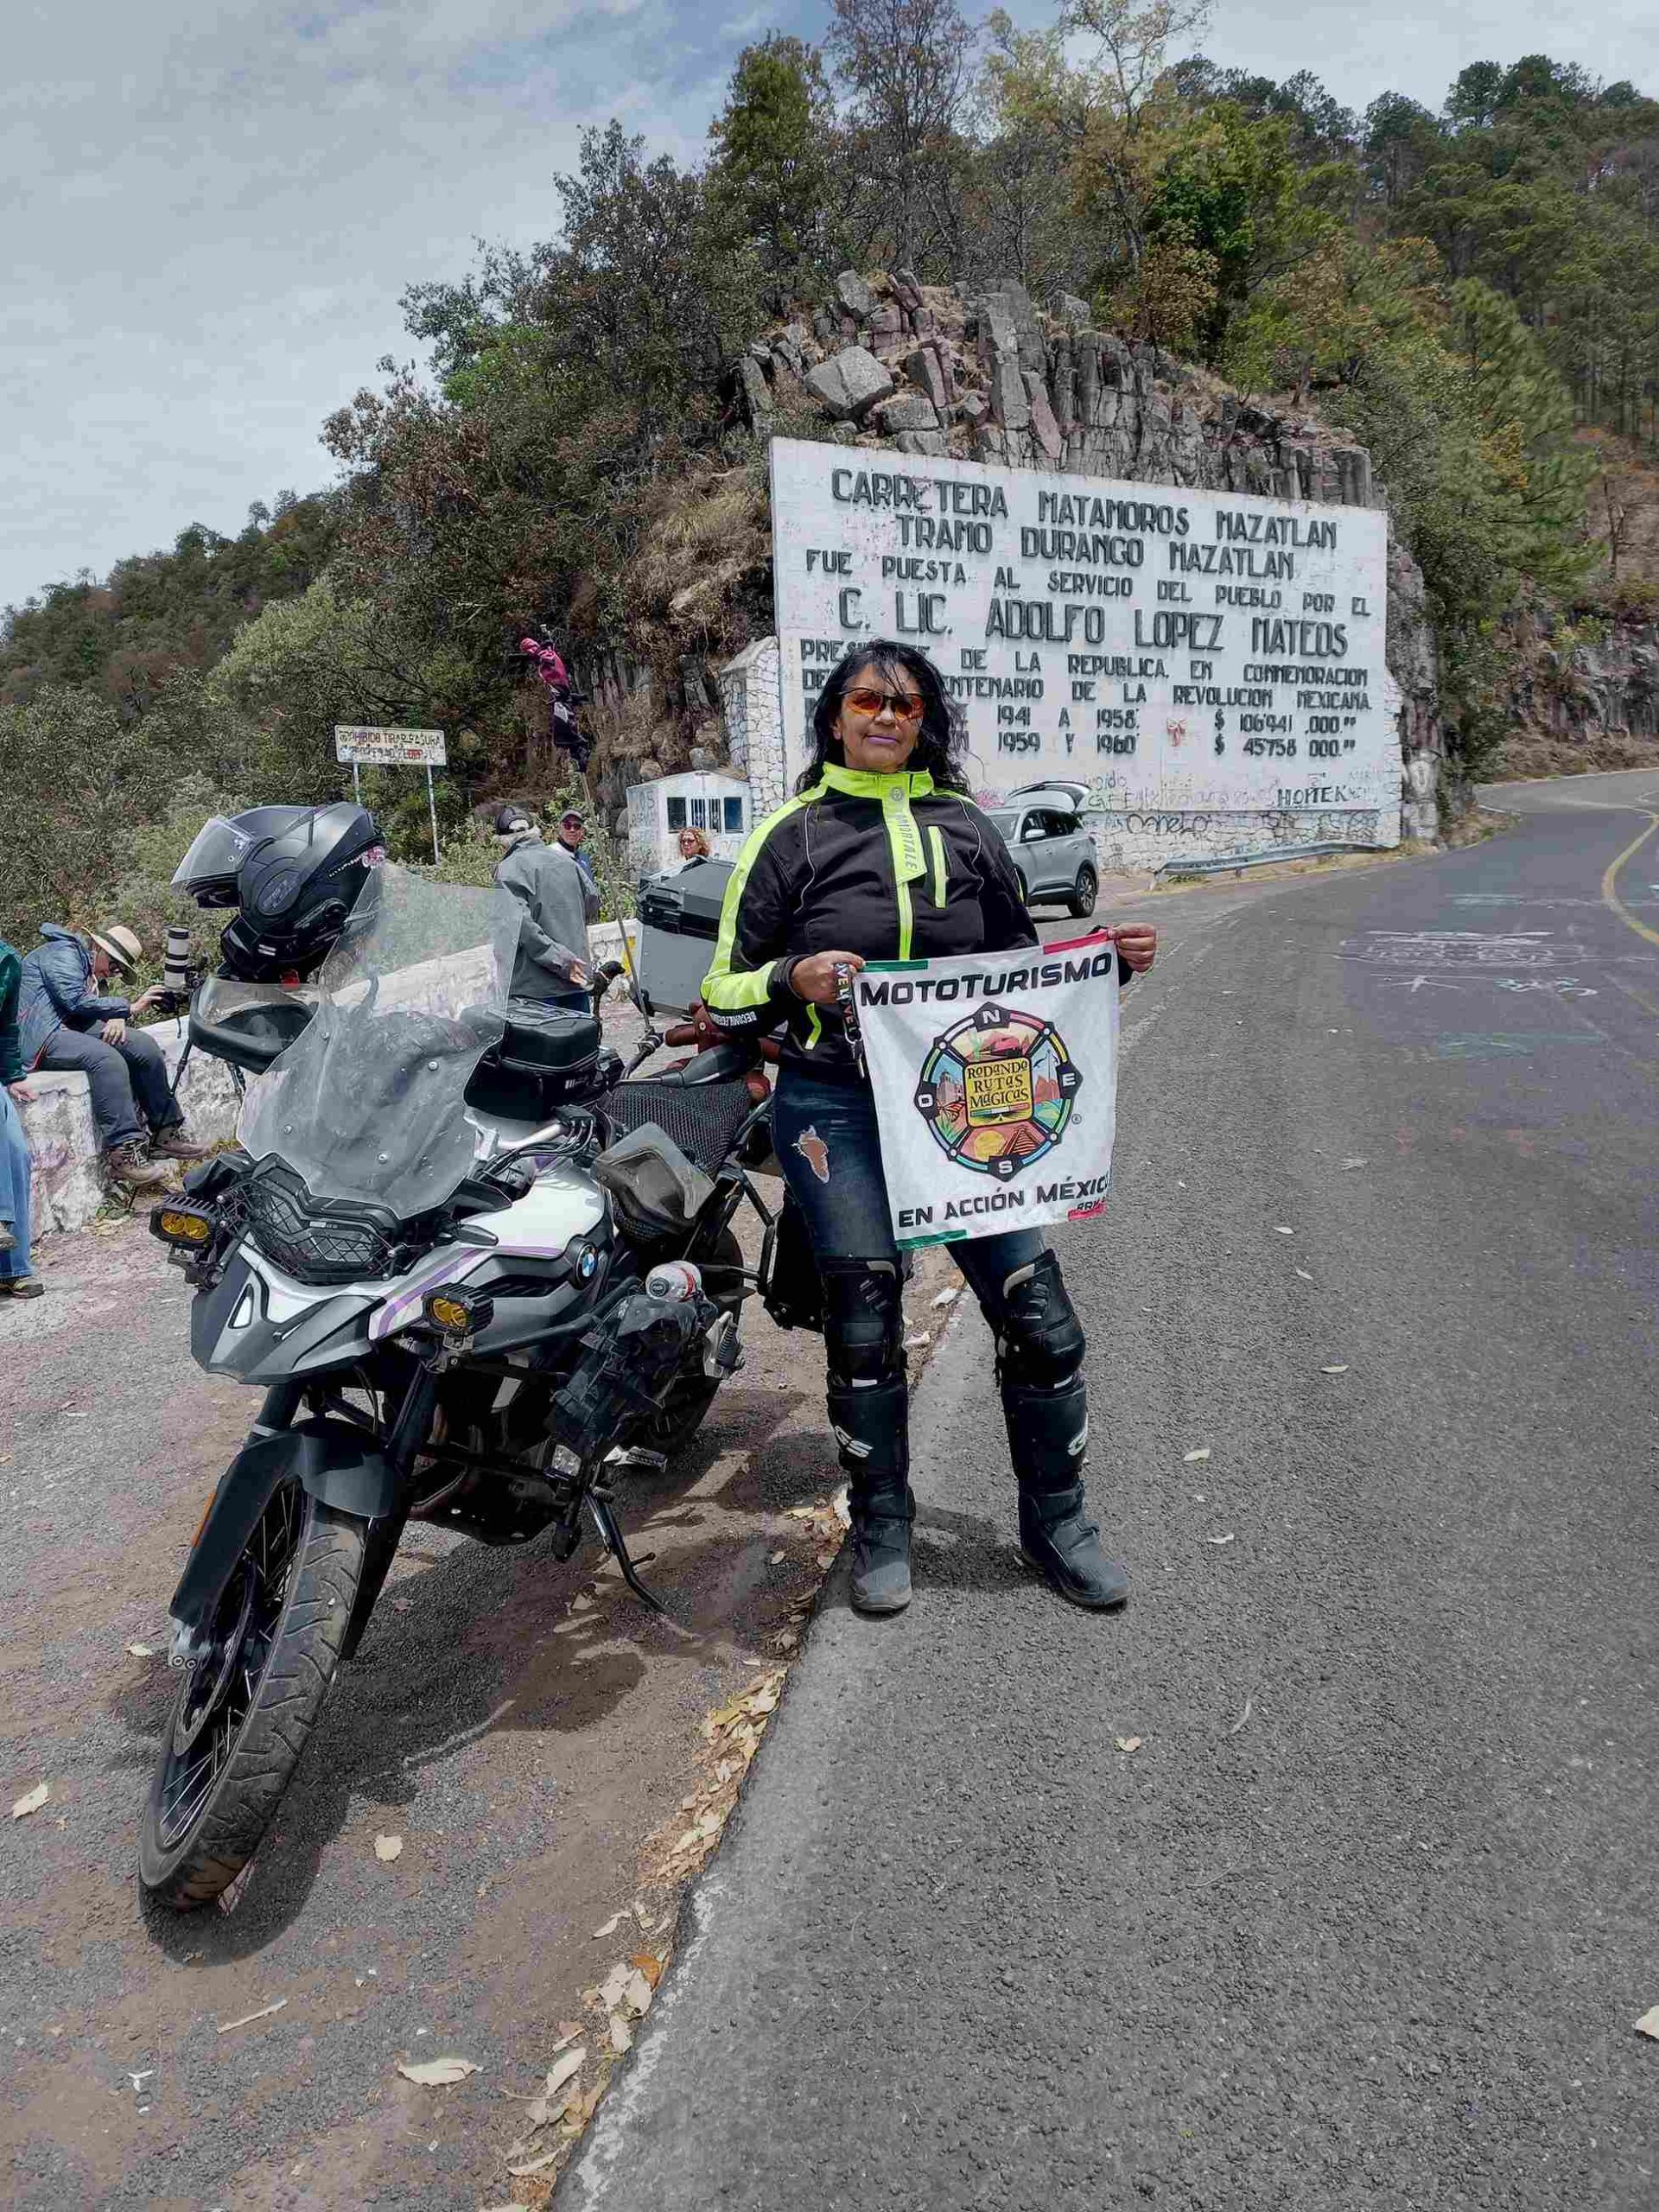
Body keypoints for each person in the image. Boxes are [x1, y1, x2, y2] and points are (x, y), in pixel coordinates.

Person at [701, 641, 1157, 1618]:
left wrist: (1108, 965)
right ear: (835, 716)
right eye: (867, 699)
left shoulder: (969, 830)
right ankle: (882, 1526)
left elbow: (1023, 979)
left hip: (972, 1105)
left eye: (906, 704)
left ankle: (1060, 1524)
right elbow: (721, 986)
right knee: (864, 1320)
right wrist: (793, 978)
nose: (887, 715)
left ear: (925, 721)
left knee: (1040, 1316)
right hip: (837, 1104)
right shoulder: (793, 834)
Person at [17, 923, 204, 1193]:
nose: (114, 973)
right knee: (106, 1059)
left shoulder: (89, 969)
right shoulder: (63, 953)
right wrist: (130, 1007)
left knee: (142, 1045)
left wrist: (118, 1015)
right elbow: (75, 1001)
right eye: (115, 966)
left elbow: (92, 1007)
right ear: (101, 949)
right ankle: (123, 1153)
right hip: (40, 1034)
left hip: (67, 1026)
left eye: (119, 971)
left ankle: (166, 1130)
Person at [493, 804, 599, 1009]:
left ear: (503, 843)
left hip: (535, 989)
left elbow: (520, 927)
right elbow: (592, 902)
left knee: (542, 1042)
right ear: (533, 832)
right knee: (582, 1040)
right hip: (576, 979)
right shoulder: (568, 862)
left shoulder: (507, 870)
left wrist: (560, 960)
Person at [0, 935, 43, 1298]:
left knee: (16, 1151)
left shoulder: (8, 961)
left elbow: (6, 1027)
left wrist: (14, 1075)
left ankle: (12, 1269)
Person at [556, 808, 600, 899]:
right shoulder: (551, 855)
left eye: (577, 826)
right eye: (567, 826)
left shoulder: (584, 858)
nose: (572, 830)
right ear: (560, 829)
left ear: (582, 832)